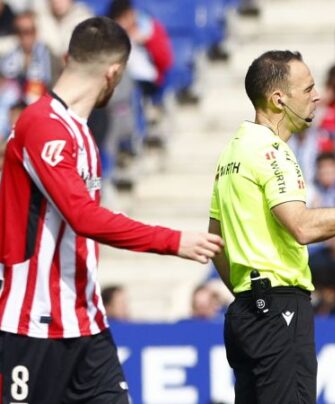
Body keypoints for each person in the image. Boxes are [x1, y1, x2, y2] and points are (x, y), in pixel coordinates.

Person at [0, 17, 223, 403]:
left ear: (69, 56)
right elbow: (83, 217)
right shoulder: (42, 125)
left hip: (87, 322)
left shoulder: (81, 131)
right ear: (114, 72)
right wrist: (173, 241)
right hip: (33, 324)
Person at [208, 50, 335, 404]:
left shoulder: (232, 151)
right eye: (307, 89)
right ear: (278, 99)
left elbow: (216, 241)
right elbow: (301, 227)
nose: (317, 96)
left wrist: (247, 293)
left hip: (247, 310)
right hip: (278, 307)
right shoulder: (272, 152)